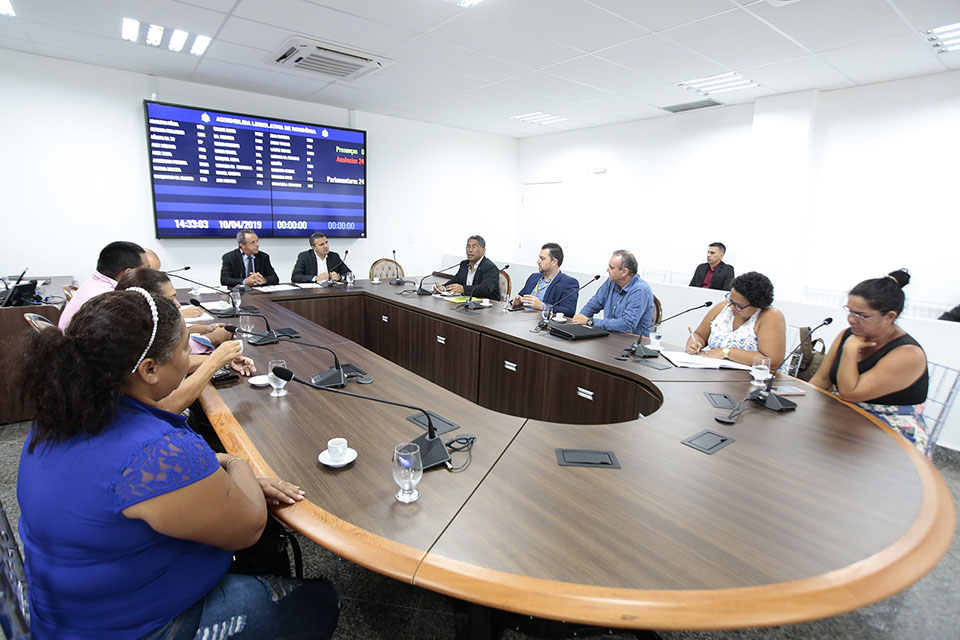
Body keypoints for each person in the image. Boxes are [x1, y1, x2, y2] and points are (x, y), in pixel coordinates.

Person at [16, 289, 340, 638]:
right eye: (186, 349)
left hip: (65, 611)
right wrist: (234, 463)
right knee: (321, 602)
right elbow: (249, 527)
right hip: (130, 626)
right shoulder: (155, 451)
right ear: (150, 370)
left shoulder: (63, 415)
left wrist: (210, 472)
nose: (190, 357)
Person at [811, 270, 931, 456]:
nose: (852, 319)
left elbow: (851, 393)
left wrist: (850, 350)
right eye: (849, 311)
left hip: (889, 432)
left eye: (861, 315)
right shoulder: (848, 334)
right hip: (845, 418)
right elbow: (822, 378)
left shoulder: (908, 354)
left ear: (889, 317)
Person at [117, 268, 255, 414]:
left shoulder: (131, 331)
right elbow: (164, 408)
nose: (178, 305)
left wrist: (223, 361)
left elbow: (175, 363)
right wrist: (214, 361)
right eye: (171, 299)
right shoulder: (134, 344)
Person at [685, 271, 786, 369]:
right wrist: (694, 343)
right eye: (731, 301)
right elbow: (699, 335)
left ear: (758, 306)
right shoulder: (722, 308)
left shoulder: (770, 316)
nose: (731, 307)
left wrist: (726, 352)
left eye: (739, 305)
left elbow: (772, 361)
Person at [58, 240, 148, 330]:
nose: (150, 273)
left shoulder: (94, 283)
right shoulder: (108, 300)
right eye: (146, 269)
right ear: (128, 272)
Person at [571, 250, 655, 336]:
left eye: (611, 268)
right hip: (610, 337)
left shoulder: (640, 290)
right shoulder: (611, 282)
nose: (607, 270)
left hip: (632, 342)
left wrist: (589, 321)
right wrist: (579, 321)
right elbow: (593, 305)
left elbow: (627, 325)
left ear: (624, 272)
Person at [512, 242, 579, 317]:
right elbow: (520, 296)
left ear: (554, 262)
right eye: (539, 258)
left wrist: (542, 306)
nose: (538, 261)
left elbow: (569, 311)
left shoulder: (568, 283)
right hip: (522, 318)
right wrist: (517, 301)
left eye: (542, 258)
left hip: (542, 323)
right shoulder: (534, 277)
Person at [437, 234, 501, 299]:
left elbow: (485, 289)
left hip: (486, 305)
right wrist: (443, 287)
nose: (470, 250)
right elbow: (456, 280)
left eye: (474, 247)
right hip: (466, 302)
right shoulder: (464, 264)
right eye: (468, 246)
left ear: (483, 250)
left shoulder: (490, 267)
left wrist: (463, 289)